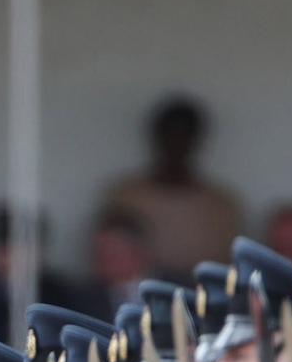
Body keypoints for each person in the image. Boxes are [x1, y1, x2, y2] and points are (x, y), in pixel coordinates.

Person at [97, 95, 244, 277]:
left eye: (183, 136)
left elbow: (230, 268)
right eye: (170, 135)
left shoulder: (220, 206)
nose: (176, 144)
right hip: (136, 298)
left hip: (201, 300)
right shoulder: (126, 197)